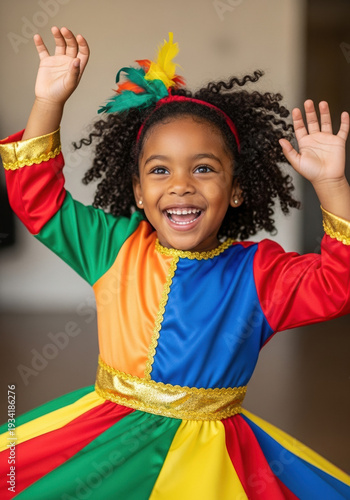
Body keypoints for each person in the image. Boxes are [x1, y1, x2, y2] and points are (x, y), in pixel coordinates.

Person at [0, 26, 349, 500]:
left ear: (237, 189)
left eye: (204, 168)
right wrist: (49, 103)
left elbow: (337, 282)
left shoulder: (261, 274)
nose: (181, 184)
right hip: (102, 439)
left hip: (212, 457)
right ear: (139, 192)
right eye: (160, 170)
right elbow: (36, 200)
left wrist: (331, 185)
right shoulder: (113, 246)